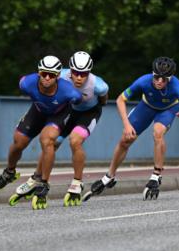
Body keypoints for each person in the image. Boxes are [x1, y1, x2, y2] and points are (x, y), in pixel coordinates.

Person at [83, 56, 179, 201]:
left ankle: (156, 175)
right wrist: (127, 125)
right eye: (157, 77)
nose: (160, 81)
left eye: (164, 79)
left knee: (158, 133)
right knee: (125, 139)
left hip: (168, 109)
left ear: (170, 78)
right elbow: (120, 99)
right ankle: (109, 176)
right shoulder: (144, 81)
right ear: (152, 74)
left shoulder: (176, 85)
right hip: (146, 107)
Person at [10, 51, 109, 207]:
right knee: (51, 144)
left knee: (75, 141)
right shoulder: (60, 75)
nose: (79, 77)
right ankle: (37, 177)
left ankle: (77, 182)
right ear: (70, 69)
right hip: (68, 111)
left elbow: (103, 101)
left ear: (89, 73)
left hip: (88, 113)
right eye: (75, 72)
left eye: (83, 74)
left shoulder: (99, 85)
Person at [0, 56, 81, 209]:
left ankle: (43, 183)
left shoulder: (69, 92)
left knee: (47, 140)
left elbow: (79, 101)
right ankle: (9, 172)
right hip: (38, 111)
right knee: (18, 141)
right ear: (38, 73)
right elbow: (22, 81)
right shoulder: (26, 83)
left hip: (57, 115)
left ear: (58, 76)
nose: (47, 78)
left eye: (52, 75)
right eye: (44, 74)